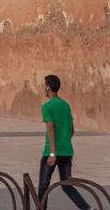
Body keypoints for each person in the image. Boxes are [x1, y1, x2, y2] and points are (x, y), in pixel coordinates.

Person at [36, 74, 90, 209]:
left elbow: (51, 130)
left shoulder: (47, 107)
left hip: (51, 152)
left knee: (43, 185)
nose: (43, 88)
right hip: (67, 152)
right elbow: (71, 130)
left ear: (48, 87)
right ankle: (87, 208)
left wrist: (52, 153)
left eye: (44, 85)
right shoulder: (65, 105)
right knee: (67, 185)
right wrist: (64, 141)